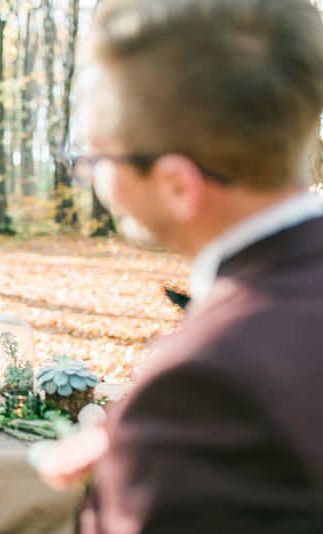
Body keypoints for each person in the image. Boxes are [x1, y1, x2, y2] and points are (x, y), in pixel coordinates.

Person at [35, 0, 323, 531]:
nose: (86, 175)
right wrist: (151, 456)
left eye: (98, 158)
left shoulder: (206, 385)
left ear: (177, 186)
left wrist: (155, 458)